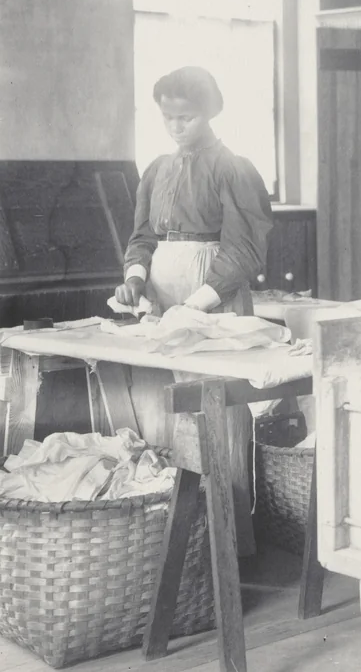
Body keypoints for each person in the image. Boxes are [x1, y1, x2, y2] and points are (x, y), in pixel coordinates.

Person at [115, 65, 273, 556]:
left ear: (209, 113)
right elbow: (142, 237)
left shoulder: (233, 168)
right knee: (161, 406)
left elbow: (244, 250)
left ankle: (223, 545)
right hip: (162, 292)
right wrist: (135, 280)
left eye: (186, 117)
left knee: (215, 411)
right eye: (168, 118)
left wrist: (197, 303)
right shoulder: (157, 169)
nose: (177, 127)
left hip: (212, 291)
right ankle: (167, 538)